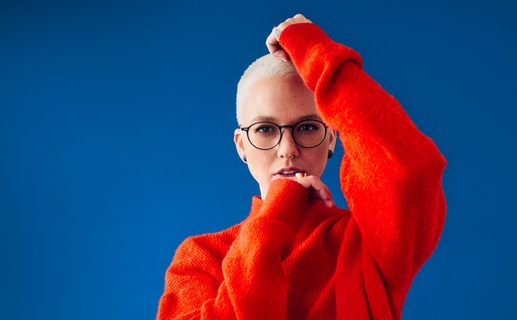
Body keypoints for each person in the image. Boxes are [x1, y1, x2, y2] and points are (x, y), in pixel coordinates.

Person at [156, 14, 446, 319]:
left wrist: (313, 50)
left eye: (307, 127)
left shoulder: (366, 242)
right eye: (265, 129)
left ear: (332, 138)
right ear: (242, 145)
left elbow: (412, 170)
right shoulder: (202, 258)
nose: (288, 150)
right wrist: (275, 218)